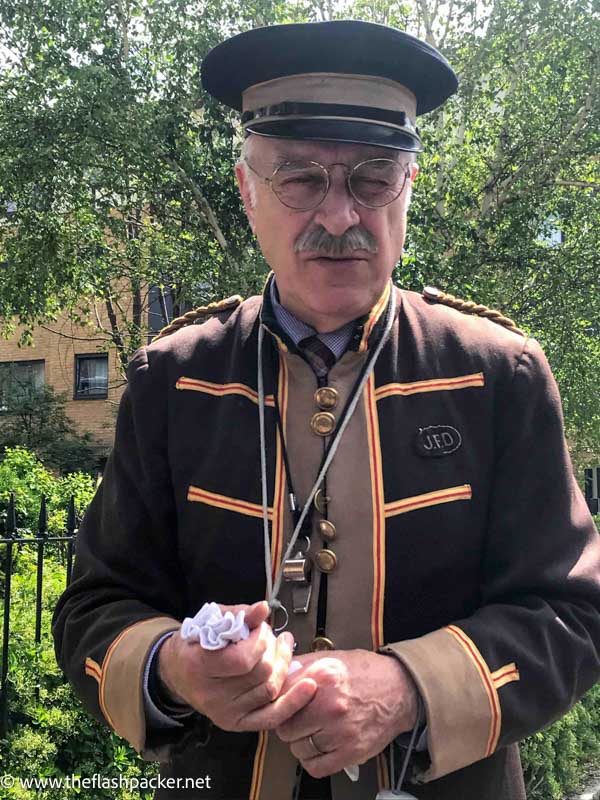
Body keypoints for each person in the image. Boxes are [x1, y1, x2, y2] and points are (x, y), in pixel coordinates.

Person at [52, 19, 600, 800]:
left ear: (408, 189)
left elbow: (575, 615)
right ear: (247, 192)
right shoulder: (172, 379)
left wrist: (410, 687)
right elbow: (91, 610)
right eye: (300, 178)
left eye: (373, 179)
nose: (340, 216)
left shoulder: (496, 374)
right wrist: (174, 663)